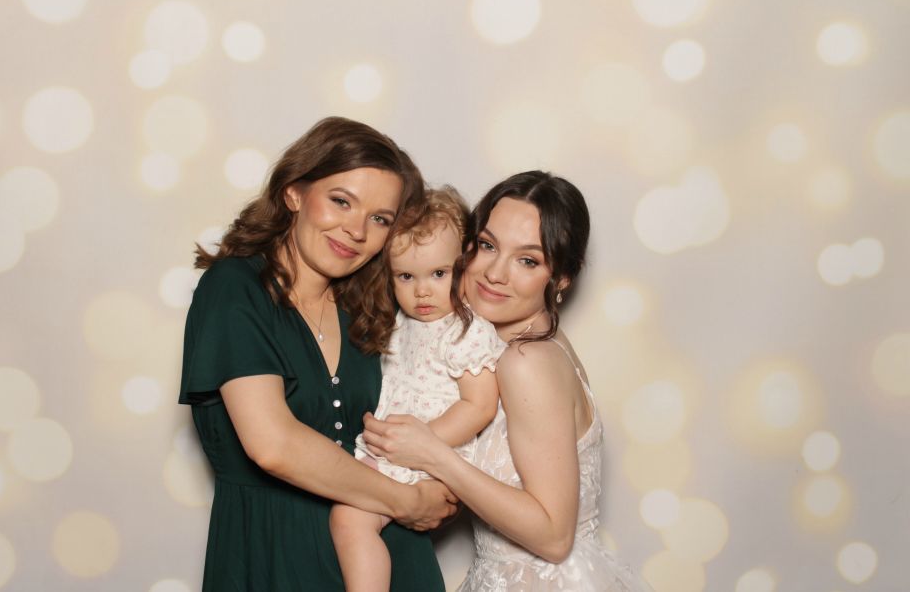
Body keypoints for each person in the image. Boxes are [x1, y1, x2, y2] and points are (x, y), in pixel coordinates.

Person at [179, 117, 457, 591]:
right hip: (271, 557)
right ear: (293, 193)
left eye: (379, 219)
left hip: (389, 560)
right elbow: (273, 445)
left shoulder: (374, 304)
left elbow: (464, 373)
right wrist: (408, 502)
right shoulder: (234, 289)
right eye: (341, 201)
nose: (356, 230)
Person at [363, 171, 651, 591]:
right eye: (488, 246)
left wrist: (433, 455)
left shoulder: (526, 362)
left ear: (562, 278)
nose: (495, 273)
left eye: (527, 260)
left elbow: (554, 537)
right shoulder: (504, 347)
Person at [330, 187, 506, 591]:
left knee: (348, 517)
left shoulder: (466, 330)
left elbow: (479, 406)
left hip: (431, 458)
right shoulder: (402, 323)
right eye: (406, 277)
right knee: (343, 515)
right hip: (394, 453)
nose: (422, 291)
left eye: (438, 274)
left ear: (464, 263)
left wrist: (423, 442)